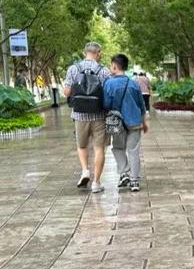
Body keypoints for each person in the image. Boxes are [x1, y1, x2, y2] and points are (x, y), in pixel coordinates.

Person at [63, 42, 111, 193]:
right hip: (99, 115)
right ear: (99, 53)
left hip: (79, 115)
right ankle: (96, 183)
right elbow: (108, 93)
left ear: (85, 53)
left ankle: (85, 170)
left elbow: (66, 92)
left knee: (82, 145)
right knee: (99, 149)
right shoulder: (104, 71)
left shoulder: (73, 69)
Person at [103, 53, 148, 193]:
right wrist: (144, 122)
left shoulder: (109, 83)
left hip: (117, 123)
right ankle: (134, 181)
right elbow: (142, 105)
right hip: (135, 121)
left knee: (118, 148)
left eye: (111, 65)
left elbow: (106, 104)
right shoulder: (134, 83)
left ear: (115, 66)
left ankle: (124, 172)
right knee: (133, 151)